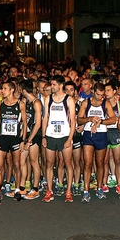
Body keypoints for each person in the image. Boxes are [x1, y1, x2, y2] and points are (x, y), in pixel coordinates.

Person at [77, 83, 116, 202]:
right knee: (87, 163)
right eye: (98, 95)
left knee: (100, 163)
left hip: (101, 134)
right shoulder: (86, 103)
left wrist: (101, 122)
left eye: (102, 95)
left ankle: (99, 187)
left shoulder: (106, 103)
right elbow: (79, 119)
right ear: (93, 91)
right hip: (89, 134)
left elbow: (114, 119)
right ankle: (86, 190)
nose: (100, 97)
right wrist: (90, 119)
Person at [0, 82, 27, 206]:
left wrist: (23, 140)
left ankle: (17, 190)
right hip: (2, 138)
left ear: (11, 90)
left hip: (15, 138)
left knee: (16, 165)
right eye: (2, 88)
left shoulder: (20, 104)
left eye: (5, 89)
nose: (2, 91)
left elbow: (24, 123)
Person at [41, 75, 76, 203]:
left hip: (65, 135)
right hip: (51, 135)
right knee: (49, 164)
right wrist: (44, 136)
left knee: (68, 164)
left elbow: (73, 121)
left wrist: (69, 139)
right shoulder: (48, 98)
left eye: (54, 84)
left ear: (61, 86)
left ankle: (68, 191)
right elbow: (45, 118)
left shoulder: (69, 99)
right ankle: (49, 190)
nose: (52, 87)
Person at [20, 80, 42, 200]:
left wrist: (29, 140)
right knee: (21, 160)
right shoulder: (26, 102)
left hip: (35, 135)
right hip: (27, 135)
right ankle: (22, 188)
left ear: (23, 90)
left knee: (34, 162)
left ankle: (35, 188)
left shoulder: (36, 102)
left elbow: (38, 124)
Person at [104, 81, 120, 194]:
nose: (106, 93)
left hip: (116, 133)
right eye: (105, 91)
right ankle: (105, 182)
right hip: (104, 132)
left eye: (108, 90)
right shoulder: (103, 103)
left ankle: (119, 182)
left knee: (117, 160)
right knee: (105, 160)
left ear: (114, 91)